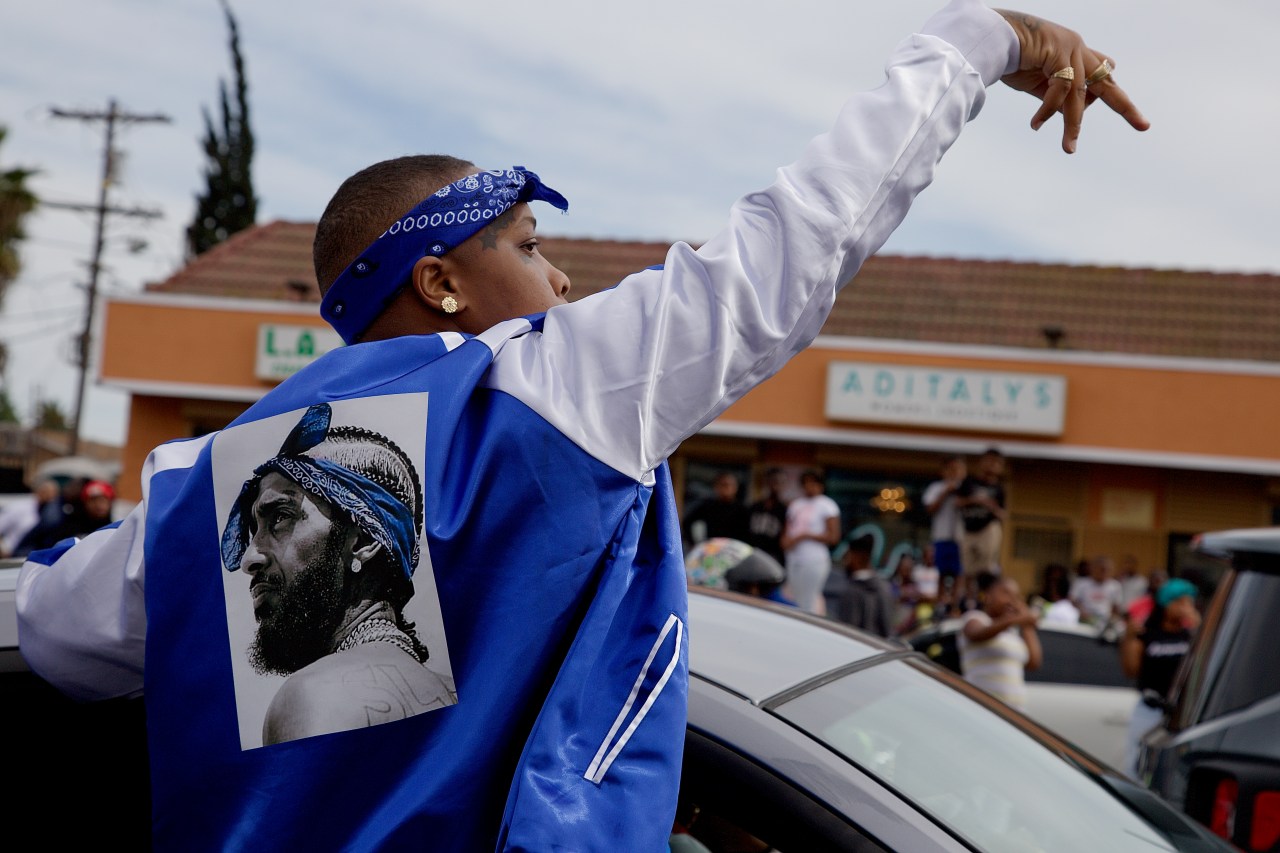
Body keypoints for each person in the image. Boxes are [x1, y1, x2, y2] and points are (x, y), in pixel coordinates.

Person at [15, 3, 1148, 849]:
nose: (561, 279)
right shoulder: (546, 391)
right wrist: (972, 44)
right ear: (442, 282)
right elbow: (790, 248)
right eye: (527, 244)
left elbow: (51, 631)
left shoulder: (201, 483)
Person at [220, 402, 456, 745]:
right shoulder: (452, 694)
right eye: (255, 528)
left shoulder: (312, 697)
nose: (250, 557)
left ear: (362, 539)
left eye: (281, 518)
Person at [1119, 577, 1200, 778]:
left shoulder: (1190, 635)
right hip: (1150, 707)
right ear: (1166, 603)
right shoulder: (1148, 633)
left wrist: (1198, 624)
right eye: (1180, 602)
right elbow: (1131, 670)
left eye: (1189, 602)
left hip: (1180, 712)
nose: (1185, 607)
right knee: (1135, 764)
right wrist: (1128, 638)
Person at [958, 571, 1043, 711]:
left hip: (1013, 713)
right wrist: (1017, 619)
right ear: (987, 596)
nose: (1011, 600)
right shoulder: (975, 618)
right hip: (980, 708)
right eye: (1006, 593)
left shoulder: (1013, 633)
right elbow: (977, 634)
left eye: (1016, 596)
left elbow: (1034, 662)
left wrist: (1026, 624)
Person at [780, 469, 841, 614]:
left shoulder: (827, 505)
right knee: (793, 597)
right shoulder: (796, 504)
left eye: (813, 483)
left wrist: (805, 536)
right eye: (806, 483)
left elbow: (833, 537)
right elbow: (787, 532)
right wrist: (787, 542)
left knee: (810, 598)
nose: (809, 486)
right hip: (794, 558)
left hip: (814, 559)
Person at [955, 448, 1008, 586]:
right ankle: (967, 599)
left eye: (996, 463)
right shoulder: (969, 482)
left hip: (987, 529)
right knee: (967, 570)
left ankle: (983, 596)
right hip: (969, 530)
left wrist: (992, 507)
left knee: (985, 569)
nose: (992, 465)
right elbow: (957, 502)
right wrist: (976, 501)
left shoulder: (999, 488)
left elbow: (1003, 514)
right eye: (989, 461)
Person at [827, 534, 895, 637]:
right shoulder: (884, 587)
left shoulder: (851, 591)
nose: (845, 562)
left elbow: (846, 632)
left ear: (856, 556)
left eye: (847, 556)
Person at [923, 455, 966, 610]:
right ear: (944, 471)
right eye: (952, 469)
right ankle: (939, 604)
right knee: (940, 572)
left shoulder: (967, 489)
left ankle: (955, 606)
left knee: (959, 572)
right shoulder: (936, 488)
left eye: (958, 469)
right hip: (941, 537)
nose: (955, 473)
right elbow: (930, 509)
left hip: (961, 538)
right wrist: (946, 492)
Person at [682, 471, 752, 547]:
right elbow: (687, 522)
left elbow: (748, 533)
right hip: (712, 548)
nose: (727, 488)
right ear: (716, 487)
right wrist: (694, 544)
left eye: (730, 485)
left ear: (736, 487)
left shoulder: (742, 510)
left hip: (735, 549)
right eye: (723, 485)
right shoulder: (708, 506)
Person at [745, 467, 789, 564]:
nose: (777, 485)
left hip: (773, 557)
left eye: (781, 482)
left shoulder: (786, 510)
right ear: (767, 482)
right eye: (774, 480)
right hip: (752, 553)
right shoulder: (754, 507)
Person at [1071, 553, 1124, 628]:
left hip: (1105, 622)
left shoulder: (1115, 586)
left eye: (1107, 569)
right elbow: (1073, 600)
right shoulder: (1081, 583)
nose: (1104, 572)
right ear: (1093, 568)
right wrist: (1081, 611)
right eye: (1102, 569)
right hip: (1084, 620)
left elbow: (1116, 607)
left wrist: (1112, 619)